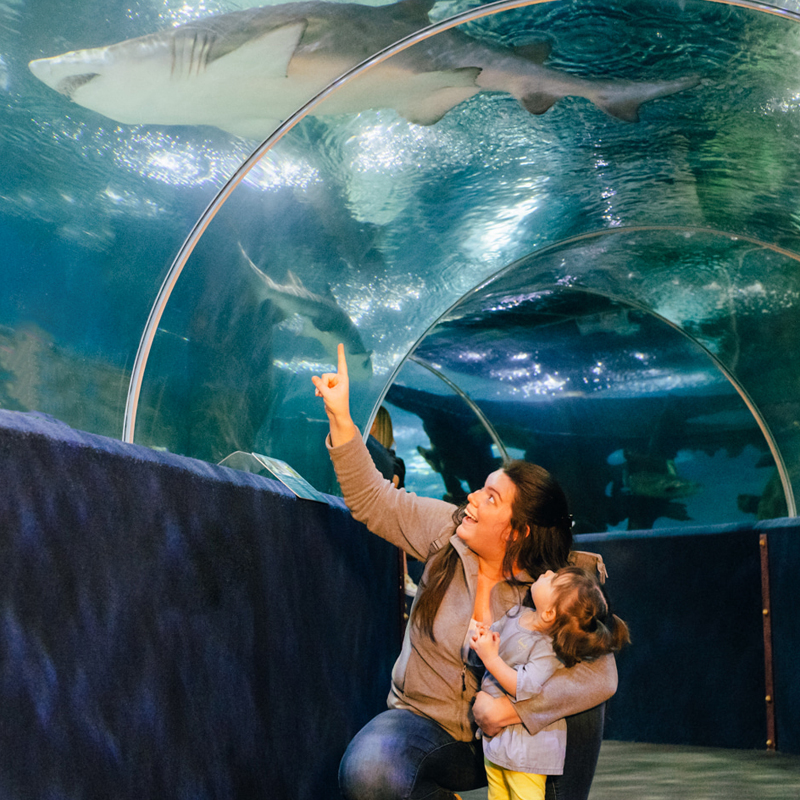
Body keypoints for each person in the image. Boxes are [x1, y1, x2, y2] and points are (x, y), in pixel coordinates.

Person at [312, 344, 618, 800]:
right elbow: (374, 500)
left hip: (516, 738)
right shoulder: (446, 530)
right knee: (370, 771)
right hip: (427, 725)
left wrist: (511, 714)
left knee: (581, 703)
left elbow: (601, 678)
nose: (471, 498)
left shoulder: (558, 586)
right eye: (480, 488)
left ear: (518, 532)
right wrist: (341, 420)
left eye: (490, 498)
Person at [470, 567, 631, 800]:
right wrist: (484, 637)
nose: (547, 571)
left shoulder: (546, 649)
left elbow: (524, 686)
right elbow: (496, 636)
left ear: (549, 614)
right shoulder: (518, 613)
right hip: (498, 744)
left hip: (527, 750)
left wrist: (491, 658)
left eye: (554, 579)